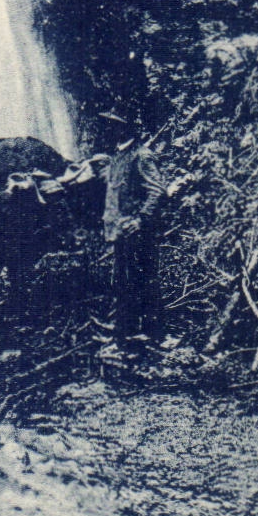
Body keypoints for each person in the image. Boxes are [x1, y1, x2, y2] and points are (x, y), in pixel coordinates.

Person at [96, 131, 168, 362]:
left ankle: (143, 338)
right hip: (120, 231)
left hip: (136, 232)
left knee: (139, 283)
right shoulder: (119, 155)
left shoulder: (141, 156)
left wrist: (140, 219)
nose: (107, 127)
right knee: (123, 283)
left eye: (112, 124)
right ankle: (126, 336)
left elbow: (157, 190)